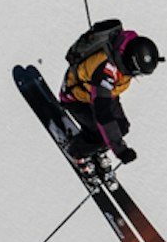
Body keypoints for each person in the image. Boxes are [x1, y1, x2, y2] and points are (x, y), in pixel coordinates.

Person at [61, 17, 160, 166]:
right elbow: (103, 114)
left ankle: (96, 145)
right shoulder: (106, 71)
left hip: (100, 95)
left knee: (121, 128)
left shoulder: (122, 53)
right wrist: (120, 150)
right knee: (100, 133)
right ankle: (76, 151)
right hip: (76, 98)